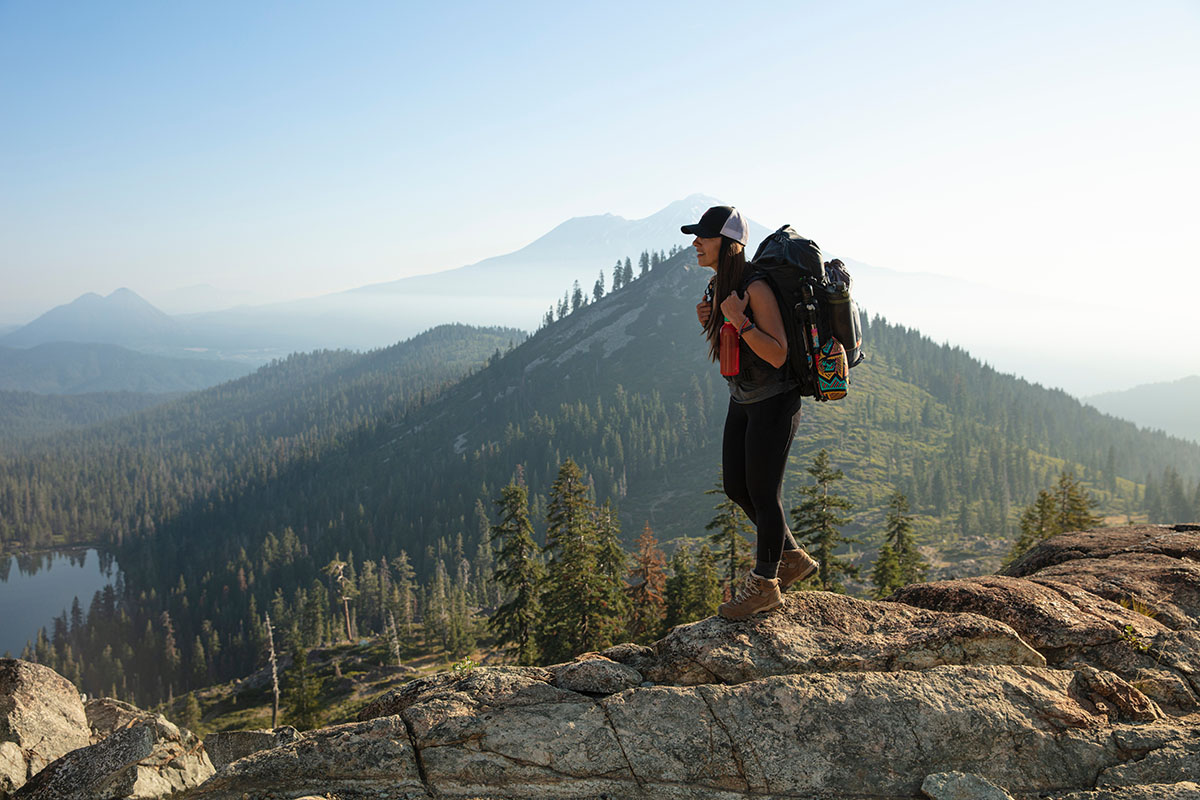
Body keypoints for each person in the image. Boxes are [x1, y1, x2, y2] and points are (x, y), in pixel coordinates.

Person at [684, 205, 819, 620]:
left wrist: (740, 321)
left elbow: (777, 353)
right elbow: (734, 345)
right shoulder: (721, 284)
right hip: (743, 397)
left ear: (728, 245)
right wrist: (711, 319)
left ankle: (766, 585)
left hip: (775, 400)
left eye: (703, 238)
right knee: (736, 488)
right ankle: (792, 557)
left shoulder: (756, 287)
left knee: (763, 494)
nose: (695, 244)